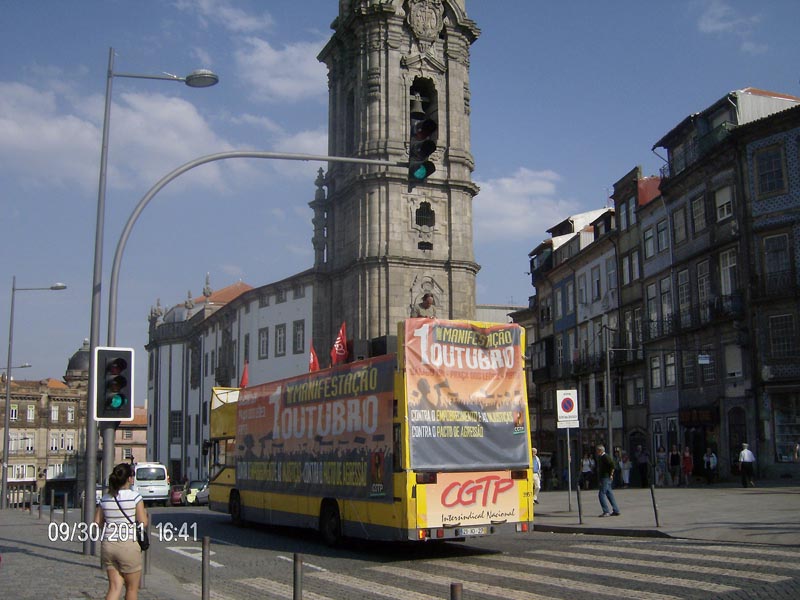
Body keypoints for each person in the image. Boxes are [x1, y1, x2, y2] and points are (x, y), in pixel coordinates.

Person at [95, 462, 148, 600]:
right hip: (128, 546)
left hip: (108, 545)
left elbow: (97, 522)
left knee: (114, 587)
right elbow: (143, 522)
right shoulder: (135, 497)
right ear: (130, 479)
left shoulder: (105, 499)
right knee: (131, 589)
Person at [595, 445, 621, 517]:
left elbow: (612, 465)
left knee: (601, 494)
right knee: (609, 494)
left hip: (606, 478)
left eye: (597, 450)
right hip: (604, 478)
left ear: (600, 450)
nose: (596, 452)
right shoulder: (601, 457)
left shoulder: (605, 457)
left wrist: (611, 474)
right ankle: (616, 510)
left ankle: (606, 511)